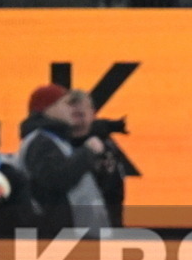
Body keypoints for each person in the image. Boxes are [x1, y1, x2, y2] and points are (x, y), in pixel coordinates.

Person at [18, 83, 109, 238]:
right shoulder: (41, 142)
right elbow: (56, 178)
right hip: (61, 238)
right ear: (48, 108)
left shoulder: (55, 140)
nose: (71, 109)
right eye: (66, 104)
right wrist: (87, 152)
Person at [67, 89, 127, 228]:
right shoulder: (53, 145)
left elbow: (113, 192)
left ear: (92, 113)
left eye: (81, 114)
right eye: (73, 114)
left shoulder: (105, 147)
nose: (78, 120)